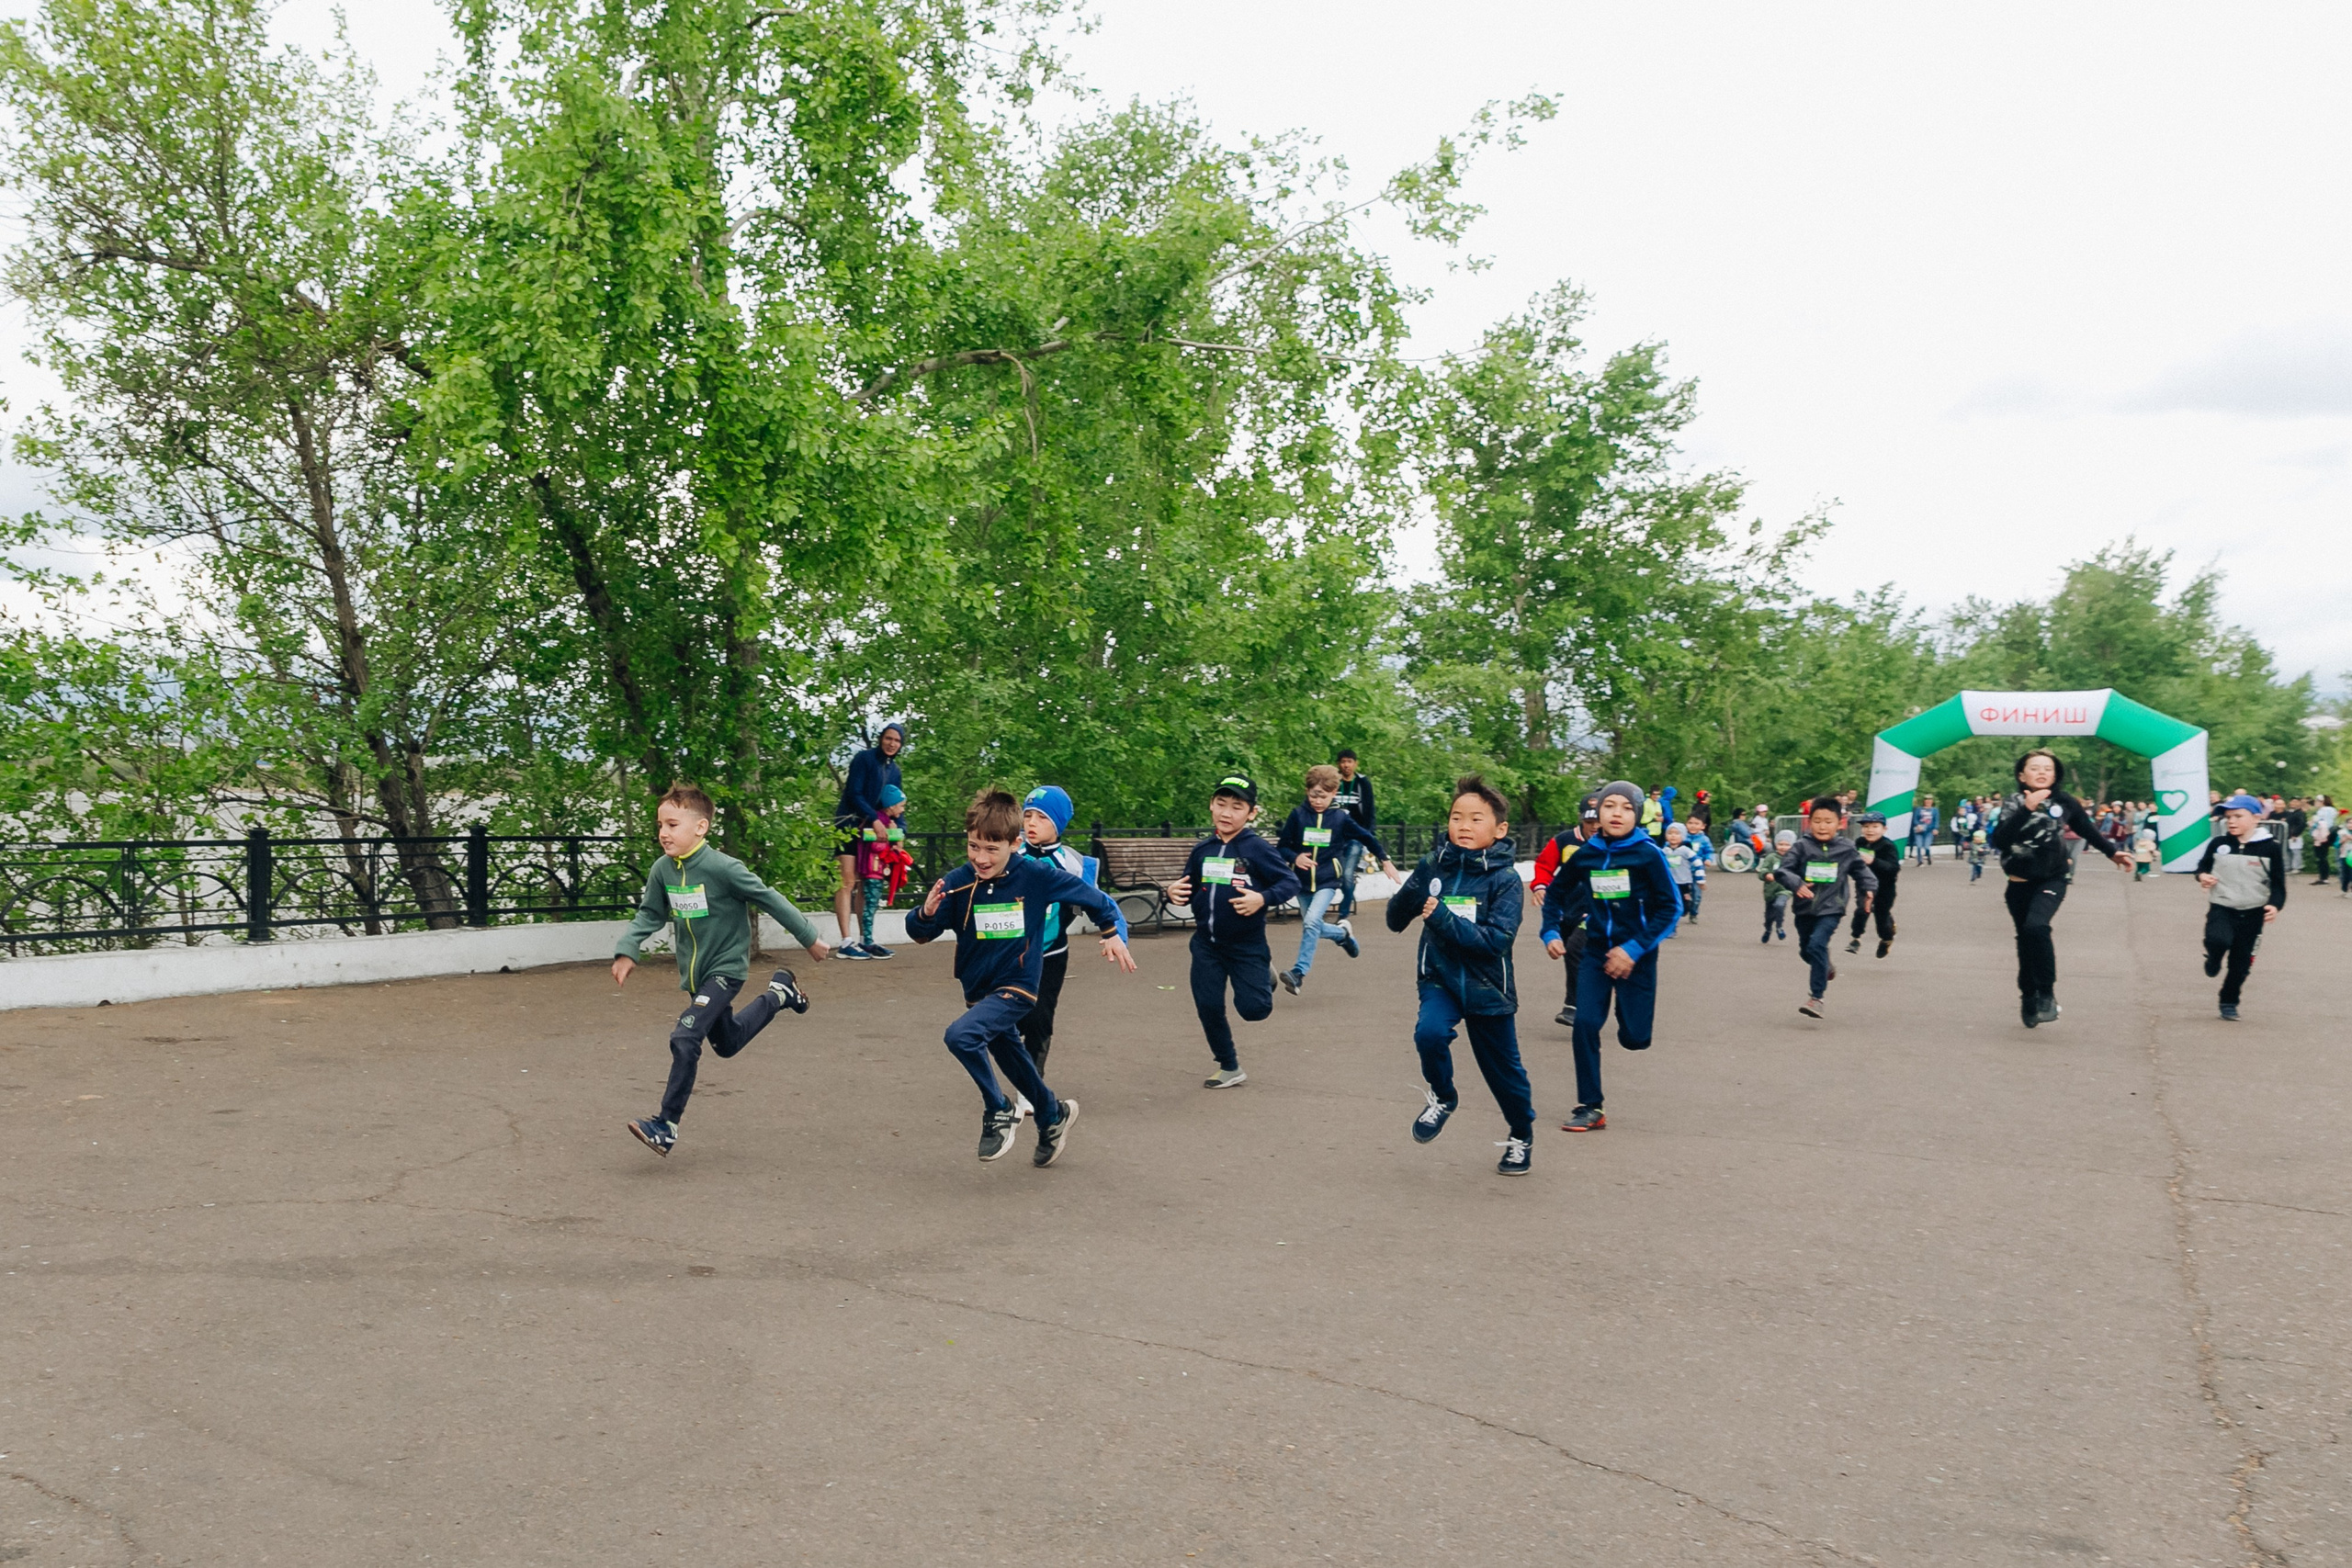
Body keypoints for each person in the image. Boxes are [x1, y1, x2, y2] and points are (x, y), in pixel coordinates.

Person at [905, 788, 1136, 1164]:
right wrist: (926, 913)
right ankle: (1052, 1115)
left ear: (1014, 844)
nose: (980, 858)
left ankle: (998, 1108)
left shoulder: (1037, 876)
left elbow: (1098, 900)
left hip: (1019, 985)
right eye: (974, 846)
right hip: (979, 989)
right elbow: (919, 934)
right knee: (1016, 1063)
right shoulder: (960, 882)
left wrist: (1112, 933)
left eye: (991, 850)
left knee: (960, 1036)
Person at [614, 782, 829, 1158]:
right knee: (727, 1043)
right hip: (695, 978)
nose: (663, 833)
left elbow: (768, 898)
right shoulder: (663, 870)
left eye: (672, 824)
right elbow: (649, 913)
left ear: (701, 827)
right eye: (660, 825)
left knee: (685, 1037)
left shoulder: (723, 868)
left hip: (726, 970)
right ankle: (781, 993)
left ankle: (666, 1125)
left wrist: (809, 936)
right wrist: (628, 950)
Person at [1389, 776, 1536, 1176]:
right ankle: (1443, 1096)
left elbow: (1495, 942)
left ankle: (1521, 1134)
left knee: (1505, 1075)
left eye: (1476, 818)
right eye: (1457, 817)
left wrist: (1439, 915)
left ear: (1500, 829)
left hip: (1488, 986)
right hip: (1439, 978)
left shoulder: (1505, 881)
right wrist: (1414, 887)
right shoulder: (1436, 865)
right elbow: (1393, 920)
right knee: (1429, 1034)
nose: (1464, 826)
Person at [1541, 780, 1680, 1134]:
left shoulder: (1649, 854)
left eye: (1626, 808)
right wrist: (1550, 931)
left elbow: (1671, 908)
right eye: (1609, 806)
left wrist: (1632, 949)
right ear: (1597, 813)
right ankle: (1590, 1106)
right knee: (1585, 1023)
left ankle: (1623, 1006)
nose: (1616, 813)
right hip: (1596, 952)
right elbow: (1555, 895)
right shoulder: (1586, 854)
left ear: (1637, 815)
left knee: (1635, 1037)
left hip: (1639, 954)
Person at [1167, 774, 1300, 1089]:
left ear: (1251, 813)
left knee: (1254, 1010)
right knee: (1208, 1004)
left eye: (1236, 807)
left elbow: (1289, 883)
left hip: (1246, 944)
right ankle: (1228, 1065)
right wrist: (1172, 891)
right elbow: (1187, 885)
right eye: (1221, 804)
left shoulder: (1256, 849)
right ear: (1211, 806)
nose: (1227, 813)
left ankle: (1264, 975)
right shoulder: (1203, 849)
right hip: (1206, 943)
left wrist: (1262, 898)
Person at [1989, 748, 2132, 1030]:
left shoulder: (2064, 801)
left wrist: (2112, 852)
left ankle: (2046, 994)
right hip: (2018, 883)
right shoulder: (2013, 803)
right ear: (2021, 775)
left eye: (2048, 768)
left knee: (2036, 928)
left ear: (2055, 775)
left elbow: (2086, 828)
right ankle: (2028, 995)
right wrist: (2027, 808)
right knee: (2025, 940)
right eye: (2035, 768)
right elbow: (2000, 840)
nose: (2042, 772)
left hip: (2052, 878)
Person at [1275, 764, 1400, 996]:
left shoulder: (1340, 819)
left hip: (1327, 881)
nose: (1317, 800)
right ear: (1307, 791)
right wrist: (1295, 857)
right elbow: (1282, 847)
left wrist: (1385, 859)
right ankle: (1343, 935)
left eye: (1323, 796)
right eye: (1313, 795)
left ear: (1334, 794)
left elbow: (1367, 837)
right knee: (1312, 926)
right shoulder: (1297, 816)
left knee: (1311, 922)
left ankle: (1298, 973)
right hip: (1301, 883)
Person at [1014, 784, 1097, 1088]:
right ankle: (1017, 1065)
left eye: (1042, 817)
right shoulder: (1011, 853)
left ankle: (1030, 1085)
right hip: (1010, 952)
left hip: (1051, 954)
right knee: (1008, 1017)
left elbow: (1099, 904)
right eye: (1028, 815)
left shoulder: (1073, 863)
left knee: (1039, 1020)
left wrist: (1116, 934)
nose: (1032, 823)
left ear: (1058, 823)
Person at [1777, 797, 1875, 1017]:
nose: (1822, 826)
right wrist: (1797, 883)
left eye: (1828, 821)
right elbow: (1783, 871)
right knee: (1807, 951)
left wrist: (1869, 889)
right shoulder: (1801, 847)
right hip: (1804, 908)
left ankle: (1816, 998)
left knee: (1816, 945)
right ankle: (1825, 965)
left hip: (1832, 907)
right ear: (1809, 823)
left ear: (1840, 823)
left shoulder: (1846, 848)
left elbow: (1861, 871)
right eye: (1817, 821)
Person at [2197, 794, 2286, 1021]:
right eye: (2228, 817)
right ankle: (2213, 959)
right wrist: (2203, 876)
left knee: (2240, 965)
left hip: (2254, 913)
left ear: (2256, 818)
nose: (2232, 821)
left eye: (2238, 816)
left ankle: (2228, 1001)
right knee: (2218, 940)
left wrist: (2275, 906)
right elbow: (2203, 867)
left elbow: (2278, 884)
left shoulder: (2270, 848)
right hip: (2222, 907)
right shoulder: (2219, 844)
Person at [831, 723, 905, 959]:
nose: (892, 743)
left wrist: (900, 831)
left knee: (865, 881)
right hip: (850, 826)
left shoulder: (895, 771)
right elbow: (854, 793)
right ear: (881, 738)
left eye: (897, 740)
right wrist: (874, 818)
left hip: (873, 832)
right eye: (889, 738)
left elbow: (895, 804)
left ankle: (865, 939)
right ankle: (845, 941)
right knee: (847, 880)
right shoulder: (864, 759)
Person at [1530, 792, 1600, 1026]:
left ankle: (1573, 1005)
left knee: (1575, 950)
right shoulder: (1564, 840)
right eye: (1590, 822)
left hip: (1595, 910)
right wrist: (1540, 886)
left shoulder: (1614, 844)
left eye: (1599, 822)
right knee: (1572, 955)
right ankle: (1589, 996)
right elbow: (1544, 865)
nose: (1595, 827)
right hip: (1566, 909)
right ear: (1581, 819)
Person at [852, 784, 910, 957]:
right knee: (871, 904)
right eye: (901, 805)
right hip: (873, 869)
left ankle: (868, 939)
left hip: (877, 870)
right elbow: (875, 845)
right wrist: (892, 835)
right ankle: (867, 941)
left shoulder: (885, 821)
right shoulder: (878, 821)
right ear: (891, 805)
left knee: (873, 903)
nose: (902, 809)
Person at [1845, 810, 1901, 957]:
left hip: (1884, 888)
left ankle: (1886, 939)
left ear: (1884, 829)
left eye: (1875, 826)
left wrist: (1873, 861)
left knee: (1881, 918)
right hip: (1864, 885)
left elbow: (1893, 868)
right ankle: (1855, 938)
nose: (1869, 830)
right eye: (1866, 827)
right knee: (1862, 910)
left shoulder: (1888, 846)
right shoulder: (1860, 842)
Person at [1330, 750, 1377, 920]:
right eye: (1343, 761)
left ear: (1355, 763)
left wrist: (1369, 833)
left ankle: (1343, 914)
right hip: (1335, 837)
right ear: (1338, 764)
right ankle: (1344, 897)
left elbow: (1370, 808)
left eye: (1349, 761)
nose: (1346, 765)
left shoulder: (1362, 783)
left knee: (1347, 875)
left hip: (1356, 837)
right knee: (1335, 874)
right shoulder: (1333, 782)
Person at [1661, 819, 1705, 923]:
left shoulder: (1686, 851)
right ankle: (1673, 925)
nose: (1673, 836)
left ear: (1683, 836)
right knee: (1671, 903)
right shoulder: (1664, 851)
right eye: (1670, 833)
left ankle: (1688, 910)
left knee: (1684, 906)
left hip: (1684, 882)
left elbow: (1698, 863)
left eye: (1677, 833)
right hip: (1670, 882)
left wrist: (1701, 880)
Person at [1759, 827, 1797, 941]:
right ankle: (1768, 929)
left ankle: (1779, 927)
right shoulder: (1771, 857)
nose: (1783, 847)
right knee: (1769, 916)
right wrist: (1766, 874)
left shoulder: (1793, 858)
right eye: (1781, 844)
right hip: (1771, 890)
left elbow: (1799, 872)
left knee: (1780, 905)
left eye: (1787, 845)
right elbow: (1762, 870)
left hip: (1785, 889)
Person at [2311, 795, 2338, 886]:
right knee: (2322, 856)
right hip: (2326, 833)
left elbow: (2325, 823)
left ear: (2321, 802)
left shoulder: (2325, 810)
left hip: (2323, 834)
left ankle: (2324, 877)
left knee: (2321, 856)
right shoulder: (2331, 810)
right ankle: (2324, 877)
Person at [1910, 795, 1939, 866]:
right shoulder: (1919, 809)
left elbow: (1936, 820)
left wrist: (1935, 828)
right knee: (1919, 846)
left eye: (1929, 800)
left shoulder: (1935, 810)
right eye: (1926, 800)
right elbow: (1915, 819)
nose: (1928, 801)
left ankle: (1928, 856)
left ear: (1932, 801)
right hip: (1919, 830)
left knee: (1926, 846)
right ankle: (1920, 861)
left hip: (1929, 831)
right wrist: (1917, 825)